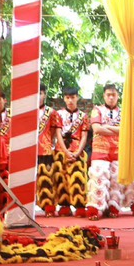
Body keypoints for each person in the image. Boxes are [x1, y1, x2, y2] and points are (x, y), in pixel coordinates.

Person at [85, 83, 124, 218]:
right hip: (99, 150)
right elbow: (97, 129)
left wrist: (107, 127)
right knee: (98, 179)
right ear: (104, 96)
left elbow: (126, 130)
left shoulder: (123, 112)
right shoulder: (97, 110)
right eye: (108, 95)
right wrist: (118, 130)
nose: (111, 98)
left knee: (116, 181)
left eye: (114, 95)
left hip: (118, 151)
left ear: (118, 96)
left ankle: (113, 207)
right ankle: (95, 208)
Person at [55, 84, 90, 216]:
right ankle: (64, 205)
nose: (70, 100)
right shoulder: (58, 114)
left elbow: (84, 136)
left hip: (77, 149)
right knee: (61, 178)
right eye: (68, 97)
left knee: (78, 178)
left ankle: (80, 204)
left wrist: (77, 152)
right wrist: (65, 151)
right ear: (64, 98)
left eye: (73, 97)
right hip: (61, 149)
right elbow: (58, 134)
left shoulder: (83, 116)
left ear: (77, 98)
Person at [34, 85, 67, 216]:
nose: (38, 96)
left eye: (40, 93)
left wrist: (46, 141)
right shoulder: (27, 112)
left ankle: (48, 207)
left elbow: (54, 132)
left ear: (45, 95)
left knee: (46, 180)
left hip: (45, 150)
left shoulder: (51, 112)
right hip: (29, 151)